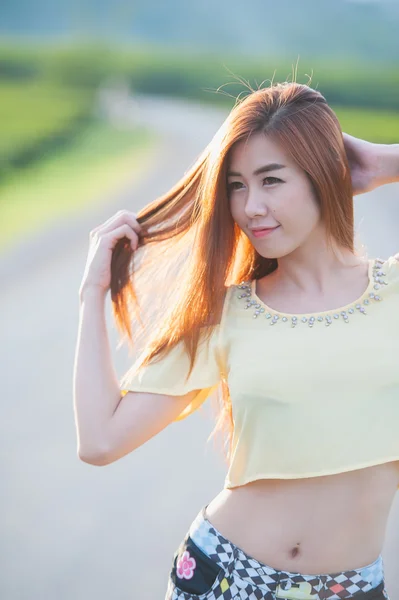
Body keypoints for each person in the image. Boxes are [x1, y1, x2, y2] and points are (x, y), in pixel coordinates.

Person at [73, 82, 399, 600]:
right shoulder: (228, 314)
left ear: (323, 174)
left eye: (271, 180)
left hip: (352, 589)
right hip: (226, 578)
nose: (250, 207)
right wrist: (92, 291)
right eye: (237, 185)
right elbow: (100, 441)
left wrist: (385, 162)